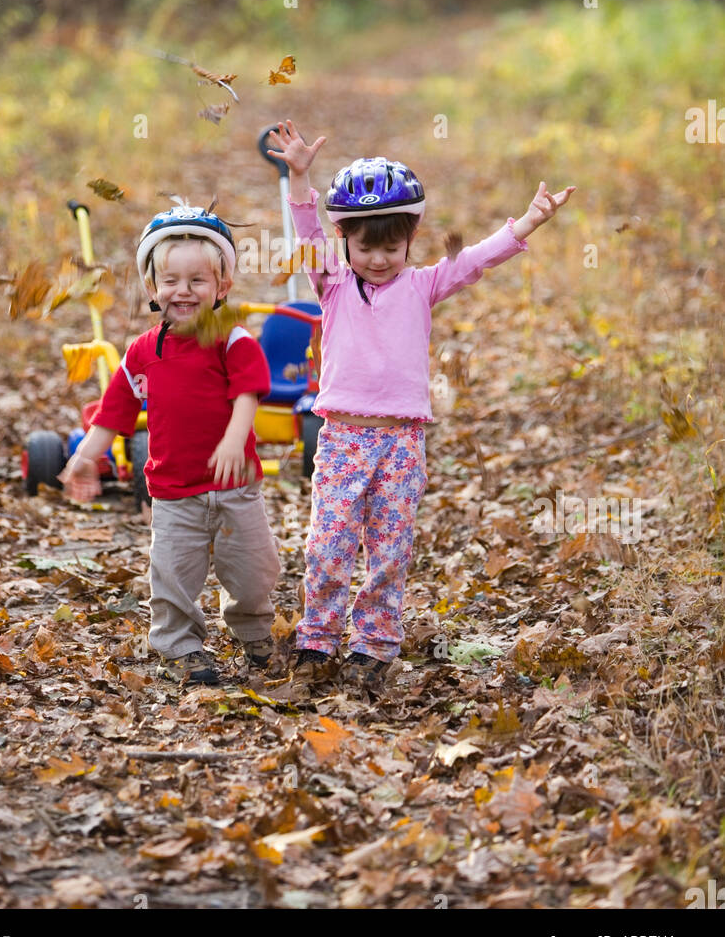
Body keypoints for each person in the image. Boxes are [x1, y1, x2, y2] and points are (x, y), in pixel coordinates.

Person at [267, 119, 576, 690]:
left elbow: (478, 259)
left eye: (392, 247)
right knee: (329, 542)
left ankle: (374, 643)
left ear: (410, 240)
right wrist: (300, 176)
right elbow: (307, 232)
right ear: (346, 243)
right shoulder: (332, 281)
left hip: (402, 442)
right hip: (342, 439)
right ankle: (318, 635)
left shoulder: (423, 285)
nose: (380, 259)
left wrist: (530, 221)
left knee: (390, 546)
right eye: (366, 247)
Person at [57, 205, 280, 687]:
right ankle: (180, 646)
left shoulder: (230, 339)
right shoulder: (143, 351)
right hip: (174, 491)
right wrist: (84, 458)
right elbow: (114, 413)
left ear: (222, 287)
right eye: (171, 281)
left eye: (198, 281)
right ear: (152, 288)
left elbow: (247, 395)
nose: (183, 291)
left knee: (253, 570)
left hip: (234, 484)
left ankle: (253, 631)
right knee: (173, 575)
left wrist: (232, 441)